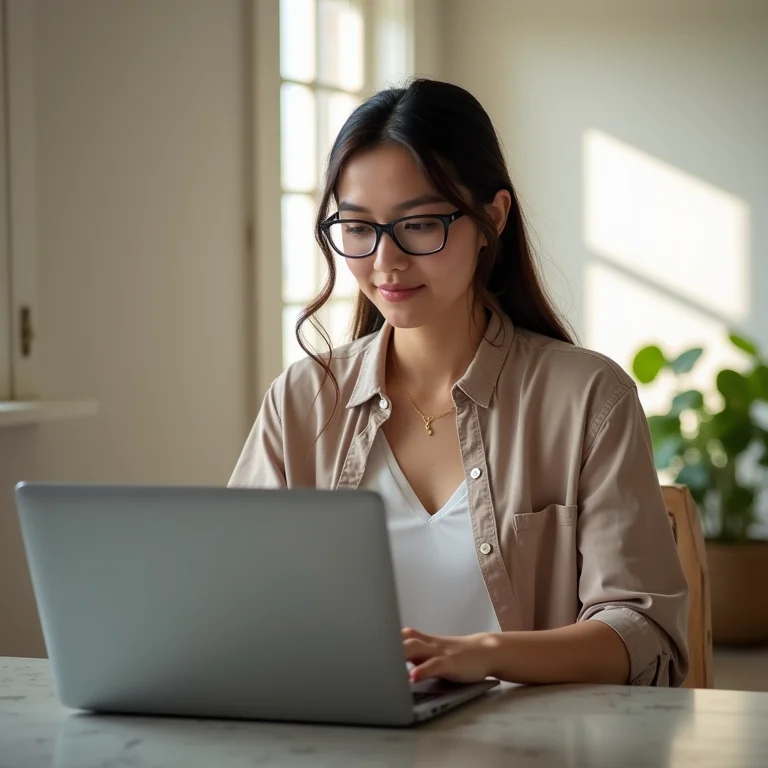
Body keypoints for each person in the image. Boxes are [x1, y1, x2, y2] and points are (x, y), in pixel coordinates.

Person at [229, 79, 689, 688]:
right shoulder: (302, 401)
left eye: (418, 225)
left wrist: (489, 653)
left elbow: (642, 630)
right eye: (359, 228)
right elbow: (231, 600)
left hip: (532, 746)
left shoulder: (588, 399)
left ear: (490, 218)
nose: (386, 262)